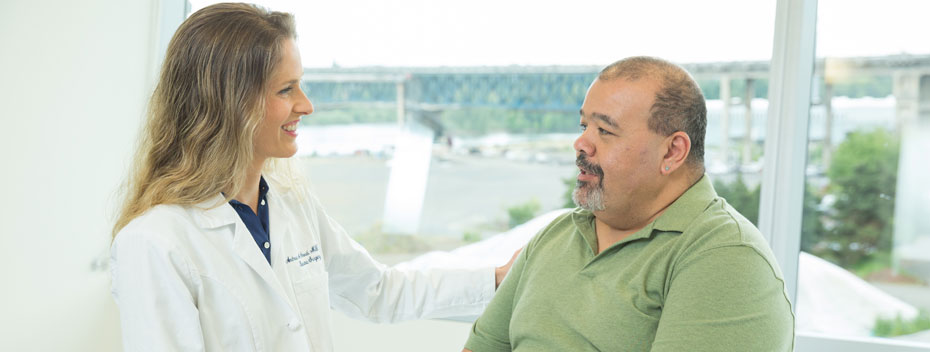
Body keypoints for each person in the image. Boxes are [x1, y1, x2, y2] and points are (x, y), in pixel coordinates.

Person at [109, 3, 517, 351]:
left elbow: (377, 292)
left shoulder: (292, 205)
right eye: (286, 90)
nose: (306, 105)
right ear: (230, 103)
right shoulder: (154, 243)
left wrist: (495, 279)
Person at [463, 57, 795, 352]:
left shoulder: (725, 257)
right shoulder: (554, 237)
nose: (580, 143)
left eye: (604, 130)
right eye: (584, 126)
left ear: (672, 152)